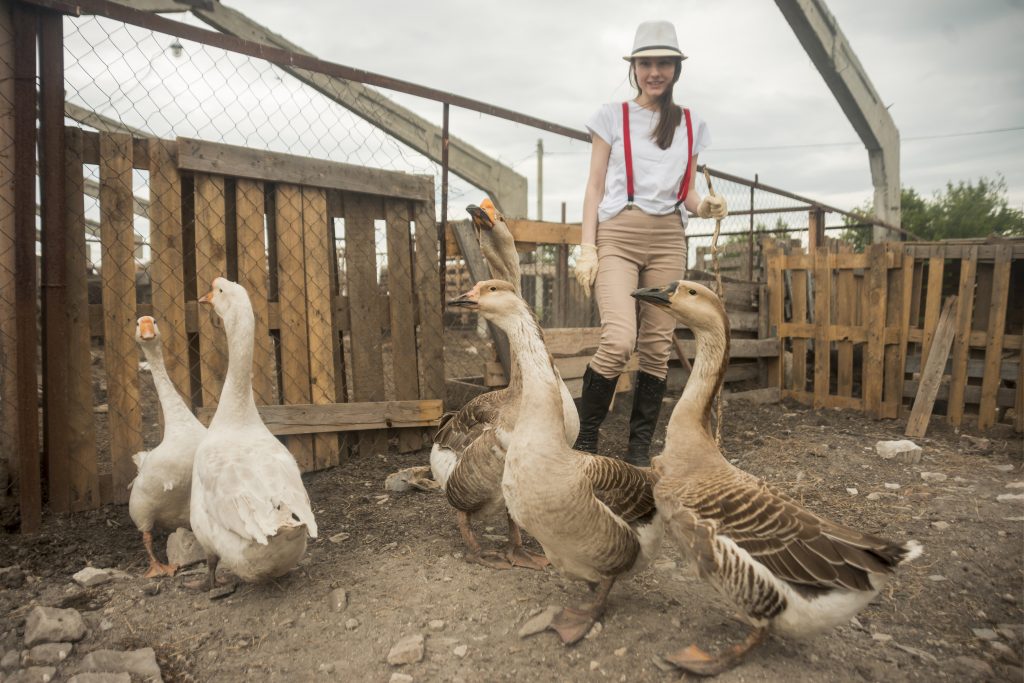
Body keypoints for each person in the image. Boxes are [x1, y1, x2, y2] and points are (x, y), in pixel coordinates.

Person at [572, 20, 728, 465]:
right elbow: (594, 186)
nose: (654, 71)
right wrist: (588, 247)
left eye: (663, 63)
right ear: (634, 68)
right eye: (646, 63)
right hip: (619, 233)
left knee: (658, 348)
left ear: (676, 69)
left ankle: (638, 451)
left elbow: (688, 193)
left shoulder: (692, 124)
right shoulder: (611, 116)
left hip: (668, 238)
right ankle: (585, 441)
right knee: (620, 340)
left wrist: (706, 207)